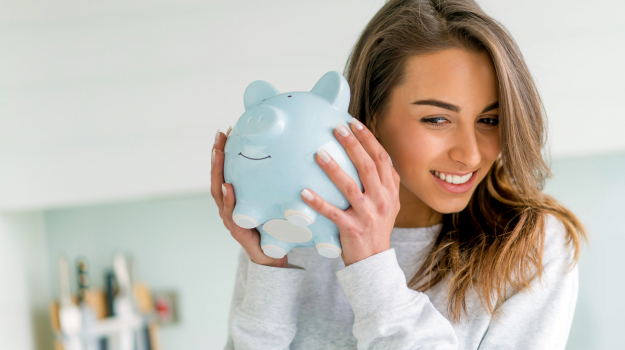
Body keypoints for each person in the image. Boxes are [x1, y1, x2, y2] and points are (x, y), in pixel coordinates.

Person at [212, 0, 588, 349]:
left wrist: (372, 269)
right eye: (437, 119)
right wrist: (270, 272)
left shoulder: (532, 248)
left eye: (489, 120)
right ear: (371, 116)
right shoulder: (295, 224)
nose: (471, 153)